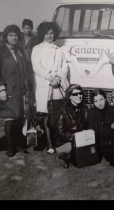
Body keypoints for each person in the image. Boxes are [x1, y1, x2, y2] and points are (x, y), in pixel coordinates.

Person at [31, 21, 69, 154]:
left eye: (52, 33)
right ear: (42, 34)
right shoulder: (37, 49)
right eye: (47, 33)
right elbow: (37, 67)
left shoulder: (59, 50)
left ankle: (58, 139)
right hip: (45, 85)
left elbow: (64, 66)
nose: (49, 36)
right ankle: (49, 144)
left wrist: (58, 77)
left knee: (58, 113)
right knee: (46, 113)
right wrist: (50, 78)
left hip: (57, 86)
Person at [0, 25, 28, 157]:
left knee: (19, 117)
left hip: (19, 89)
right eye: (11, 35)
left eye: (16, 35)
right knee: (9, 118)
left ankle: (19, 144)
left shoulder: (19, 50)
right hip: (7, 90)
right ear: (5, 37)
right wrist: (1, 88)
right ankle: (10, 147)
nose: (14, 38)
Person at [54, 84, 89, 168]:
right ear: (70, 97)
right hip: (65, 142)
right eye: (75, 94)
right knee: (78, 157)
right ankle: (64, 156)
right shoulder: (64, 112)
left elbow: (88, 125)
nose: (79, 96)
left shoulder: (84, 109)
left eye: (80, 93)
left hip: (81, 139)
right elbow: (60, 133)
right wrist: (77, 137)